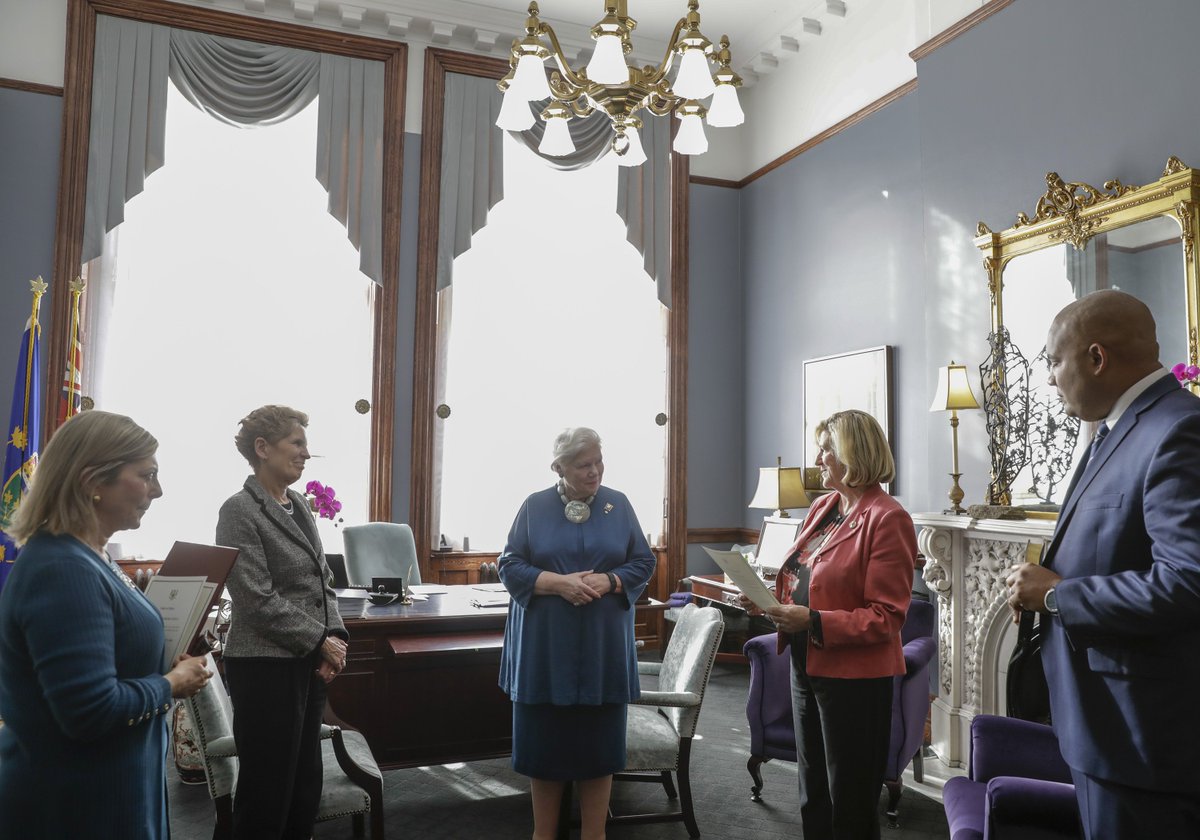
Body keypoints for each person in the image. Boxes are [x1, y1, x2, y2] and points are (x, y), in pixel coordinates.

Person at [1005, 289, 1200, 839]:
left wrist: (1056, 594)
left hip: (1143, 743)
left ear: (1096, 358)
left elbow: (1188, 582)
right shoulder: (1118, 430)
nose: (1048, 378)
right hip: (1105, 733)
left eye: (1052, 361)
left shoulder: (1177, 430)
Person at [0, 411, 212, 839]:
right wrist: (171, 683)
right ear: (93, 480)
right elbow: (89, 709)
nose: (158, 489)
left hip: (112, 786)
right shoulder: (62, 568)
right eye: (147, 474)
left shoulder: (92, 555)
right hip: (78, 803)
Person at [749, 409, 915, 840]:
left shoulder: (887, 517)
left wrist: (814, 619)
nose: (818, 458)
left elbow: (887, 616)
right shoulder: (824, 506)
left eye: (826, 449)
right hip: (806, 664)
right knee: (814, 790)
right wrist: (772, 601)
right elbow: (805, 576)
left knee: (852, 798)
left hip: (856, 678)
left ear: (852, 455)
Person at [498, 427, 656, 840]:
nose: (595, 471)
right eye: (584, 464)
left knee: (598, 750)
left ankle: (594, 834)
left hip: (602, 651)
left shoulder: (618, 505)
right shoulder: (534, 506)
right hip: (544, 651)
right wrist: (557, 582)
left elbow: (643, 561)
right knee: (543, 748)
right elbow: (509, 565)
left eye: (599, 461)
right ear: (559, 467)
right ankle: (543, 834)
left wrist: (610, 580)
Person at [216, 405, 349, 840]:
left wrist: (334, 636)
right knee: (266, 791)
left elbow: (322, 579)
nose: (306, 454)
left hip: (305, 662)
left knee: (303, 786)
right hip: (264, 666)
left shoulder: (298, 507)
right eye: (297, 443)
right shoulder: (239, 510)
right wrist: (318, 641)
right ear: (262, 448)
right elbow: (255, 598)